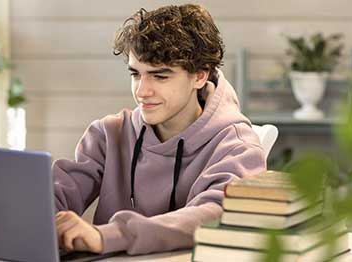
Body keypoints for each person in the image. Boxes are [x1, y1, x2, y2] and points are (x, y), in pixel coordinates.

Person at [53, 4, 266, 255]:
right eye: (136, 74)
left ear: (199, 76)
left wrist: (110, 235)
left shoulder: (238, 146)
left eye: (160, 76)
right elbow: (54, 196)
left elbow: (214, 214)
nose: (142, 91)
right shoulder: (108, 134)